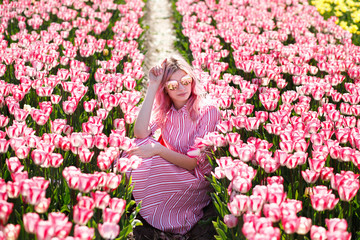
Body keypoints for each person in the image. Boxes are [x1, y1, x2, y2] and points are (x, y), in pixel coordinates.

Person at [125, 56, 221, 236]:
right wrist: (153, 86)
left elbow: (194, 164)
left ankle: (156, 210)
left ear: (192, 79)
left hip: (194, 179)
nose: (181, 88)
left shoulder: (208, 111)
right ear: (166, 90)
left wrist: (158, 150)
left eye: (185, 81)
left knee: (150, 159)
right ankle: (145, 203)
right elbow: (139, 133)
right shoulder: (166, 111)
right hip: (172, 168)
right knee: (135, 147)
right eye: (172, 85)